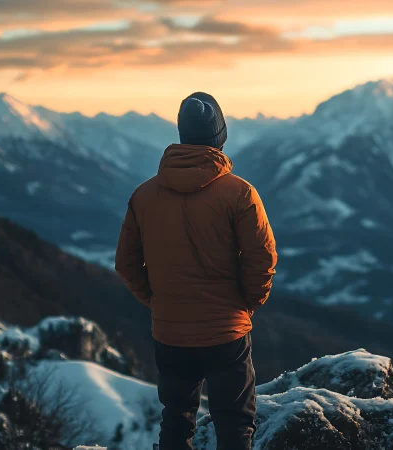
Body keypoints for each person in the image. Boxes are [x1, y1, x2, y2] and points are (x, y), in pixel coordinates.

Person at [115, 92, 277, 450]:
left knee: (176, 420)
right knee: (234, 427)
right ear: (219, 136)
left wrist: (159, 302)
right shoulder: (240, 194)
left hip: (170, 333)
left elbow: (126, 264)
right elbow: (262, 259)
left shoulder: (143, 195)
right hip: (226, 331)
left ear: (182, 135)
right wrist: (247, 304)